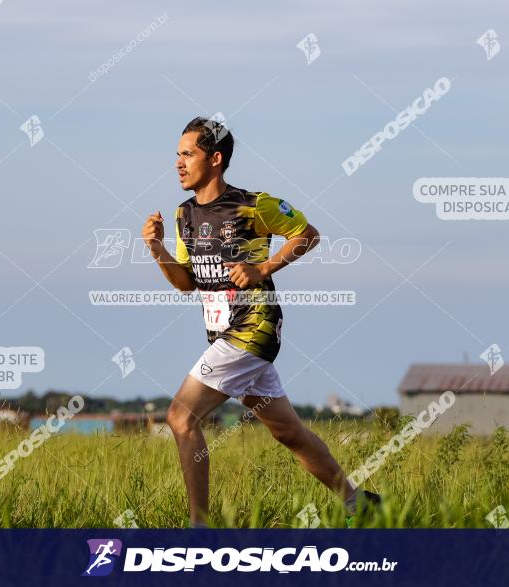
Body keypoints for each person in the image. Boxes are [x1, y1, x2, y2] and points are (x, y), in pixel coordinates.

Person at [141, 116, 380, 528]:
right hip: (224, 335)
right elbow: (186, 284)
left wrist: (262, 267)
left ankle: (201, 529)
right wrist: (156, 248)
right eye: (176, 155)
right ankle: (359, 503)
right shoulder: (183, 216)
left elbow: (308, 234)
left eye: (187, 154)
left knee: (181, 418)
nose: (178, 163)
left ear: (215, 159)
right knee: (288, 433)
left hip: (254, 330)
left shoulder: (254, 205)